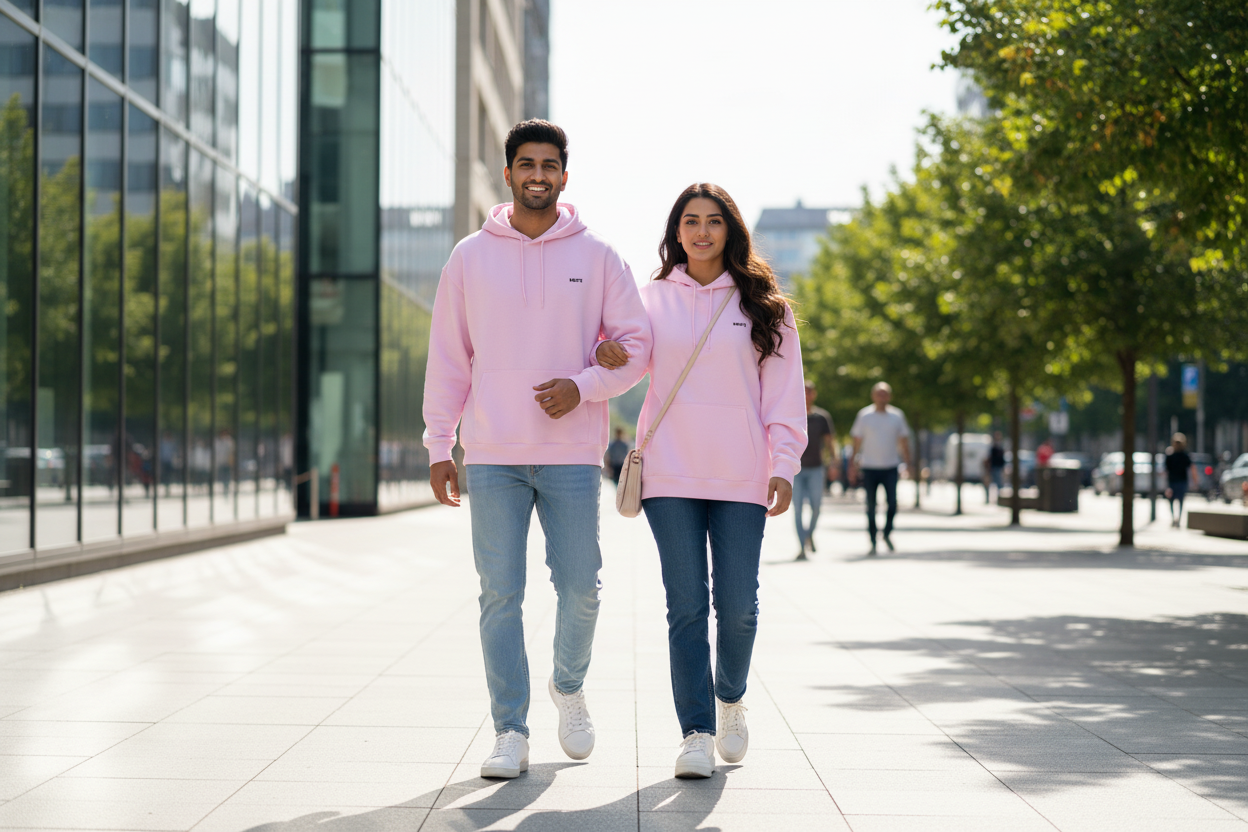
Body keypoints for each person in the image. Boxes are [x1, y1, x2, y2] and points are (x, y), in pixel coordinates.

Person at [422, 120, 652, 779]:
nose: (538, 174)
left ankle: (567, 685)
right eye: (526, 163)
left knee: (582, 587)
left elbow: (637, 348)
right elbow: (449, 357)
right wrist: (439, 443)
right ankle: (510, 731)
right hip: (491, 452)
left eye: (549, 165)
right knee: (500, 594)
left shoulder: (599, 256)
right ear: (509, 173)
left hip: (572, 453)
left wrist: (584, 386)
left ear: (564, 176)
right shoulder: (469, 257)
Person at [594, 183, 806, 780]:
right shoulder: (650, 299)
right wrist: (604, 355)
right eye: (691, 221)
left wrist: (783, 464)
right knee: (685, 607)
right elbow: (626, 363)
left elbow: (783, 397)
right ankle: (695, 732)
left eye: (714, 221)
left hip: (742, 474)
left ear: (730, 230)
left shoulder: (766, 307)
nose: (702, 231)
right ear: (676, 231)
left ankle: (730, 697)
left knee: (738, 608)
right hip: (669, 473)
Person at [849, 382, 912, 555]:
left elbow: (904, 441)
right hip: (869, 467)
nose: (882, 397)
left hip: (891, 467)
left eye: (885, 394)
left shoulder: (897, 416)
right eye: (879, 393)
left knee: (892, 503)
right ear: (873, 396)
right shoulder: (864, 415)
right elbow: (856, 441)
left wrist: (908, 463)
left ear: (889, 396)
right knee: (870, 506)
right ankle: (872, 540)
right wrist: (852, 465)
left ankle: (887, 532)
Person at [794, 382, 835, 560]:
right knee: (797, 509)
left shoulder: (822, 417)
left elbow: (830, 442)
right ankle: (802, 547)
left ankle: (809, 535)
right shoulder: (792, 414)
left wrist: (834, 463)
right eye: (803, 391)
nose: (806, 395)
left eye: (809, 391)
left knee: (816, 507)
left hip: (816, 468)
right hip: (796, 469)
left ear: (814, 394)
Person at [1164, 432, 1196, 528]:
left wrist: (1195, 481)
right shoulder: (1170, 456)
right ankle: (1174, 518)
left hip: (1180, 481)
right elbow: (1166, 470)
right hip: (1173, 481)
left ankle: (1178, 519)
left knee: (1180, 501)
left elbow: (1191, 468)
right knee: (1172, 501)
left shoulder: (1184, 456)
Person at [985, 431, 1006, 503]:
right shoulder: (993, 447)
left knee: (998, 484)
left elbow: (1002, 458)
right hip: (993, 467)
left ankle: (998, 498)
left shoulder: (1001, 446)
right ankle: (988, 498)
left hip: (998, 467)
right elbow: (990, 457)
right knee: (990, 483)